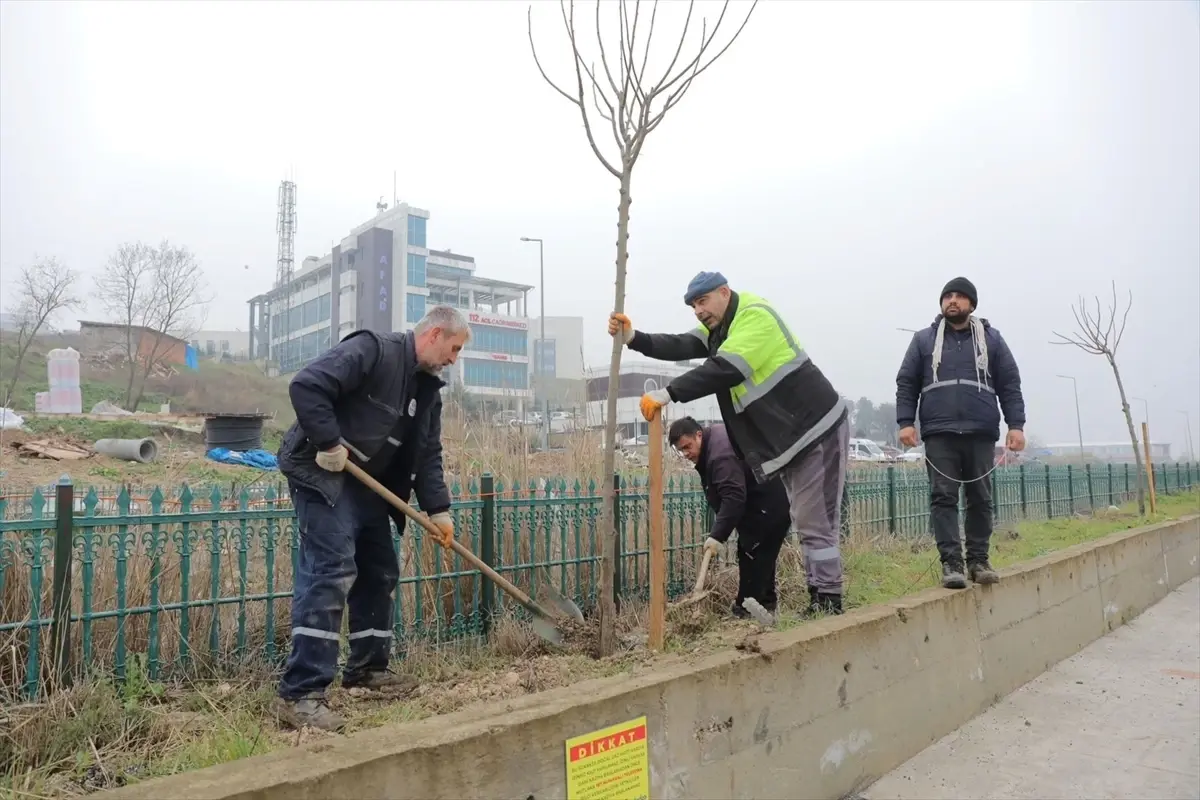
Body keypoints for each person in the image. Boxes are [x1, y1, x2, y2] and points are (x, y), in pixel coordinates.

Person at [273, 305, 470, 731]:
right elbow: (307, 385)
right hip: (321, 470)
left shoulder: (428, 391)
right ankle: (301, 694)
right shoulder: (372, 351)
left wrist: (440, 510)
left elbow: (427, 454)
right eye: (453, 348)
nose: (454, 359)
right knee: (333, 569)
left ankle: (367, 670)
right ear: (435, 334)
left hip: (368, 485)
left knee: (380, 570)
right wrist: (327, 442)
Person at [608, 271, 851, 614]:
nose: (698, 311)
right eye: (693, 305)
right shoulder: (720, 328)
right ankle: (822, 598)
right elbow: (681, 344)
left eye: (703, 301)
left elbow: (726, 369)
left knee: (815, 521)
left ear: (725, 292)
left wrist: (669, 393)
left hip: (816, 429)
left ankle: (828, 601)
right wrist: (635, 338)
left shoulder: (754, 318)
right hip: (792, 439)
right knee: (806, 518)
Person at [895, 277, 1026, 590]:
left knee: (981, 497)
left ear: (972, 304)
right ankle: (951, 563)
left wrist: (1016, 425)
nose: (952, 301)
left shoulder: (991, 340)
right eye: (947, 296)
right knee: (943, 497)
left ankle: (979, 561)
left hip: (981, 431)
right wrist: (905, 422)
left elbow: (1009, 384)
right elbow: (906, 383)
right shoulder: (923, 340)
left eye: (959, 296)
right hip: (939, 433)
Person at [668, 416, 792, 618]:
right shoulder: (712, 444)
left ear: (699, 435)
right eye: (681, 450)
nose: (686, 454)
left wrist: (717, 535)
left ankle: (747, 611)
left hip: (768, 506)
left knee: (755, 555)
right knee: (757, 555)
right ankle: (765, 607)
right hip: (765, 503)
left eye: (687, 447)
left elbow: (733, 497)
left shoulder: (720, 455)